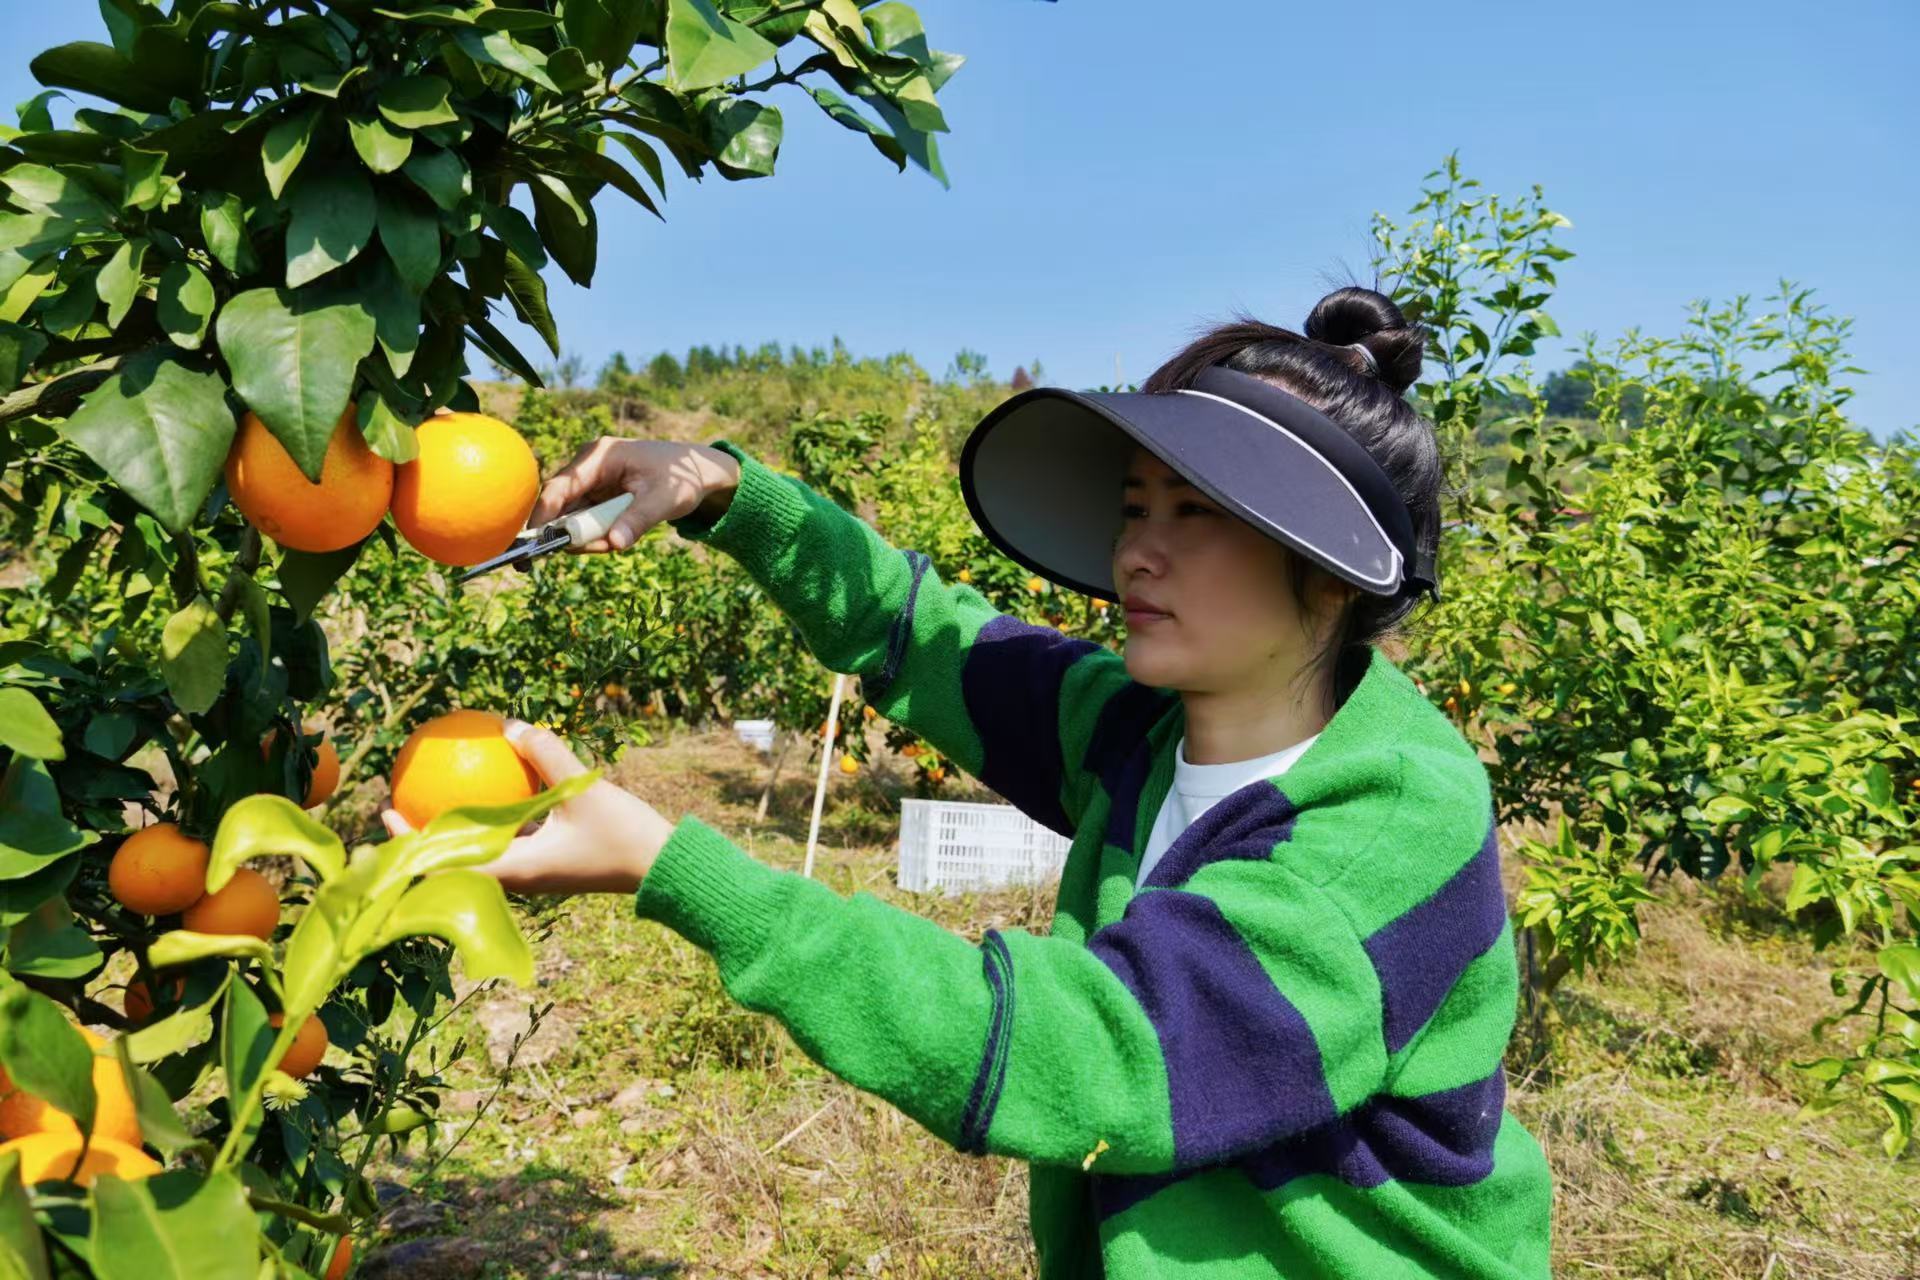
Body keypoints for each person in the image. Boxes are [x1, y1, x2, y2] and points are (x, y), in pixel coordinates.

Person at [387, 286, 1555, 1277]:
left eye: (1198, 513)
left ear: (1334, 575)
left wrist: (676, 868)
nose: (1136, 549)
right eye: (1137, 504)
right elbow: (927, 638)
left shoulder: (1390, 812)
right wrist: (726, 495)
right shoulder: (1147, 733)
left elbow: (1105, 1052)